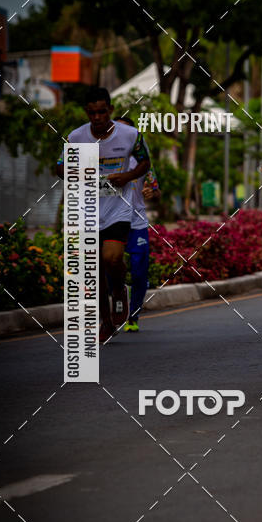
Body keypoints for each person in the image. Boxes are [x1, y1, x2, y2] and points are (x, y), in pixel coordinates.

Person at [57, 87, 150, 341]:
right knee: (94, 271)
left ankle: (119, 288)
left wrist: (127, 176)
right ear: (86, 112)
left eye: (102, 111)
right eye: (92, 113)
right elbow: (60, 168)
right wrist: (77, 173)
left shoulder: (130, 135)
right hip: (86, 209)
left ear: (110, 110)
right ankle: (106, 322)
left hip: (118, 208)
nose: (97, 117)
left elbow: (145, 162)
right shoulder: (76, 137)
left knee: (112, 258)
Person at [116, 116, 160, 332]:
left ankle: (133, 315)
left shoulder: (142, 162)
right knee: (110, 269)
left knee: (140, 272)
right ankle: (116, 310)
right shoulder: (104, 158)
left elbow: (156, 189)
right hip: (110, 222)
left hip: (137, 222)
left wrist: (152, 192)